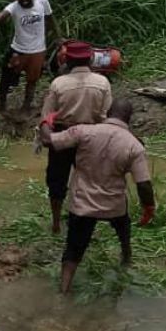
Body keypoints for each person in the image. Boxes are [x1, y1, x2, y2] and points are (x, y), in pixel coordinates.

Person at [38, 98, 155, 294]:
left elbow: (48, 141)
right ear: (129, 119)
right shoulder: (134, 145)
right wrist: (148, 208)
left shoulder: (83, 131)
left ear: (107, 113)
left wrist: (45, 123)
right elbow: (143, 184)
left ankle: (63, 291)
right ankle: (126, 259)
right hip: (114, 205)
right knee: (123, 229)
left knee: (72, 252)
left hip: (83, 204)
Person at [40, 40, 112, 234]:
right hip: (91, 136)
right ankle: (86, 223)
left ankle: (56, 223)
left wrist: (46, 136)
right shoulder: (103, 82)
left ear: (67, 61)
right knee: (89, 181)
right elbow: (106, 116)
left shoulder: (58, 84)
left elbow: (46, 116)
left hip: (63, 135)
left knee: (57, 180)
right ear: (90, 59)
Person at [0, 0, 57, 111]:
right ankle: (2, 105)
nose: (23, 0)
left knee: (32, 81)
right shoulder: (13, 7)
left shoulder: (42, 1)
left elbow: (50, 18)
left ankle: (26, 106)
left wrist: (58, 37)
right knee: (6, 79)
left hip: (37, 51)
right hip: (18, 50)